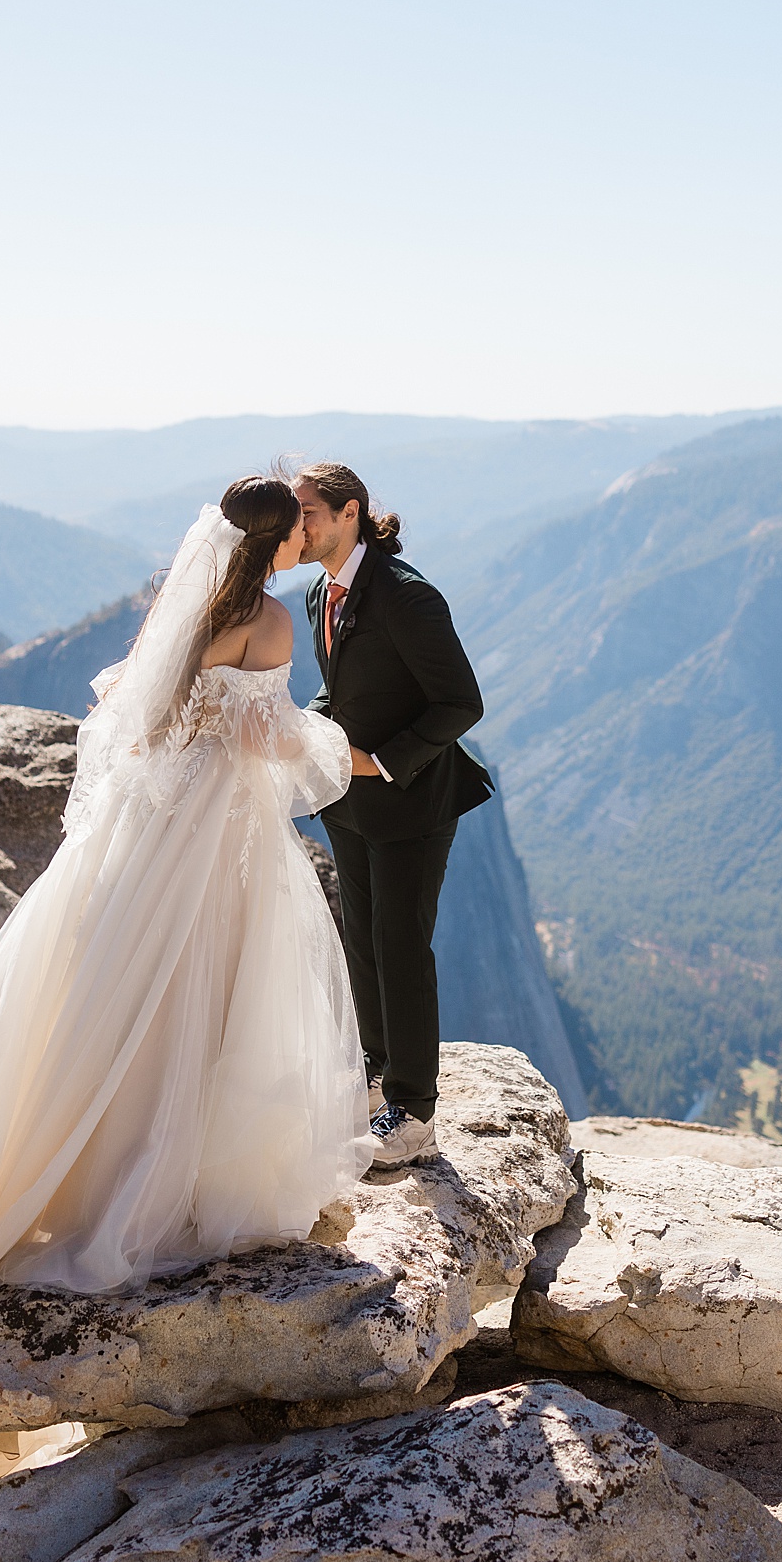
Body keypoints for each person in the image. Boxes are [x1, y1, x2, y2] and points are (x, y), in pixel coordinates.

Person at [0, 476, 376, 1535]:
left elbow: (138, 715)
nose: (307, 532)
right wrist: (341, 750)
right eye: (296, 524)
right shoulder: (270, 620)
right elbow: (267, 740)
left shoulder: (184, 605)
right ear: (272, 540)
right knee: (211, 1006)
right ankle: (169, 1175)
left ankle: (80, 1162)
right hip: (221, 841)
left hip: (146, 833)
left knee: (112, 1004)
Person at [293, 462, 495, 1168]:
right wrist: (309, 731)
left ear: (350, 513)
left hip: (410, 802)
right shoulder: (321, 589)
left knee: (403, 951)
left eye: (310, 511)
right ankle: (377, 1077)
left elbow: (461, 703)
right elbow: (342, 692)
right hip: (348, 802)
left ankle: (414, 1115)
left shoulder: (408, 598)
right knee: (364, 943)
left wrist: (378, 761)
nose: (300, 525)